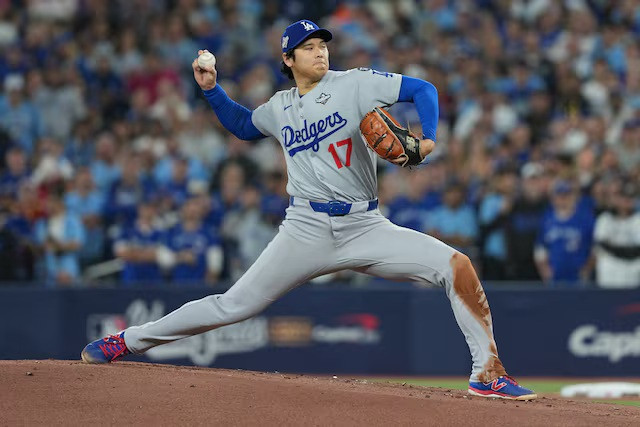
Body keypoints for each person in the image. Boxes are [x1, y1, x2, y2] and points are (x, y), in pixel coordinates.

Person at [82, 19, 536, 400]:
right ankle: (126, 340)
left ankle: (487, 373)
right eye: (308, 47)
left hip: (364, 224)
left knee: (456, 266)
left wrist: (429, 136)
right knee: (233, 305)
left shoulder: (354, 83)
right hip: (306, 226)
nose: (320, 52)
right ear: (288, 59)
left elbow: (423, 89)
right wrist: (212, 89)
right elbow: (243, 126)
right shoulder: (280, 107)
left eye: (322, 45)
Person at [593, 183, 640, 288]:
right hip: (611, 265)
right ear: (617, 199)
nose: (627, 201)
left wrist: (619, 249)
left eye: (630, 198)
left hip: (633, 265)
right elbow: (602, 244)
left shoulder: (638, 219)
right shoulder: (605, 218)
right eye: (624, 197)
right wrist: (622, 250)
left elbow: (637, 249)